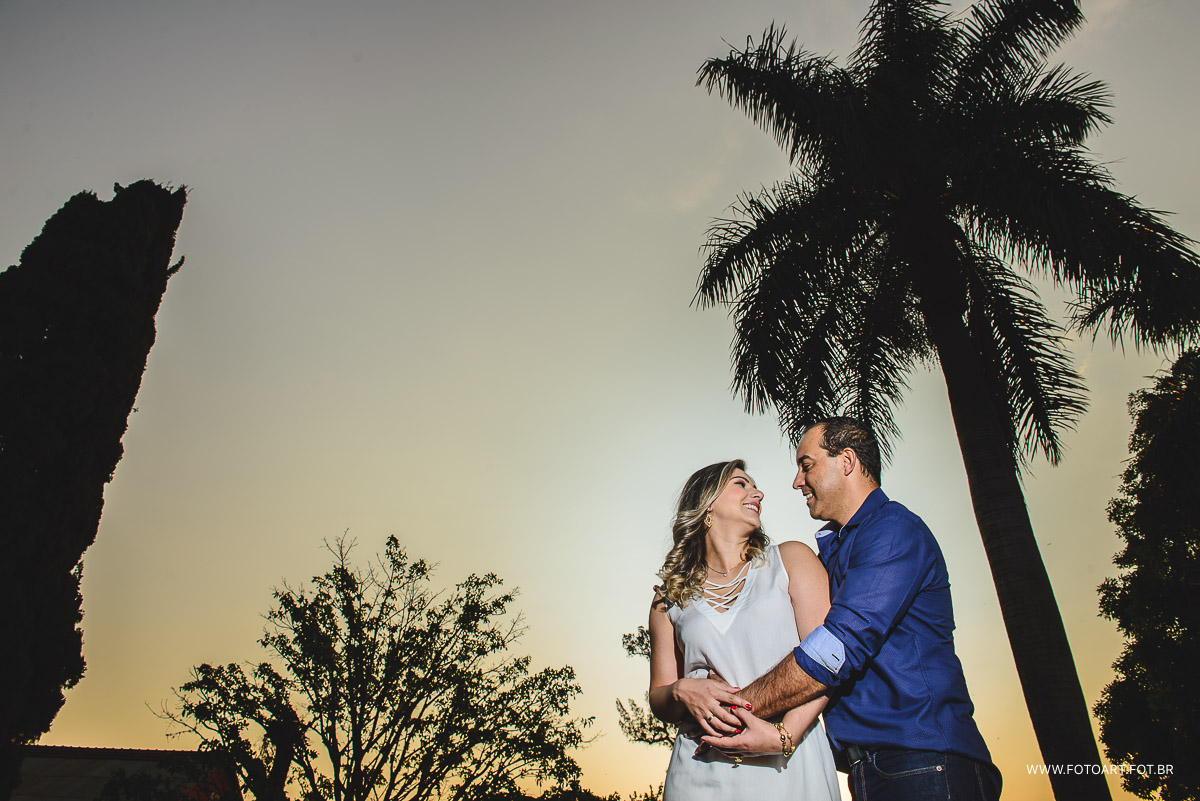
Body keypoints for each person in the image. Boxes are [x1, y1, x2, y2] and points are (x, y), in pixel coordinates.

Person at [702, 418, 1002, 800]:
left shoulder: (893, 530)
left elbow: (837, 647)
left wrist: (733, 708)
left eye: (806, 464)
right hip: (872, 770)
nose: (797, 481)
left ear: (846, 461)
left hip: (925, 760)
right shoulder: (837, 550)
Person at [648, 459, 840, 801]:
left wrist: (785, 735)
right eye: (741, 484)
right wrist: (681, 690)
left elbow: (831, 661)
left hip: (788, 765)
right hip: (700, 769)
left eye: (754, 486)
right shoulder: (669, 597)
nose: (758, 493)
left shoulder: (791, 560)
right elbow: (659, 698)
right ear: (707, 504)